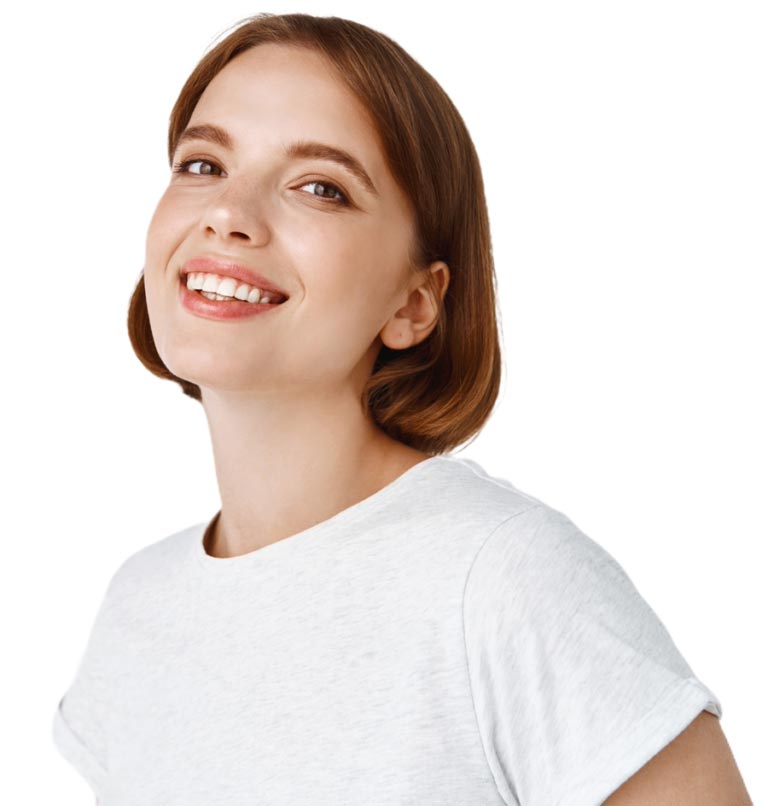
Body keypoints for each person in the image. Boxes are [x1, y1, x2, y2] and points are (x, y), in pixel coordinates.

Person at [52, 12, 751, 806]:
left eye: (320, 187)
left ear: (415, 302)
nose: (228, 212)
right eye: (203, 164)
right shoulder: (138, 608)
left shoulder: (504, 580)